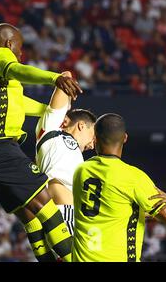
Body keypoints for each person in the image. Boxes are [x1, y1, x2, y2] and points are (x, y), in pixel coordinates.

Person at [0, 23, 82, 262]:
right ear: (9, 43)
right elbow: (18, 70)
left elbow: (19, 104)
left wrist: (50, 113)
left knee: (29, 215)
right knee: (46, 205)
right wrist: (55, 79)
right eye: (19, 48)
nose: (20, 53)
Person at [72, 113, 166, 262]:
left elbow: (114, 209)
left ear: (95, 138)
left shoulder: (80, 171)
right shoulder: (134, 178)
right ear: (125, 138)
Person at [35, 70, 97, 236]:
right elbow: (66, 76)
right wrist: (69, 99)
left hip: (79, 217)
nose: (93, 144)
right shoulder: (52, 129)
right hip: (64, 215)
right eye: (94, 135)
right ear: (81, 125)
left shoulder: (79, 158)